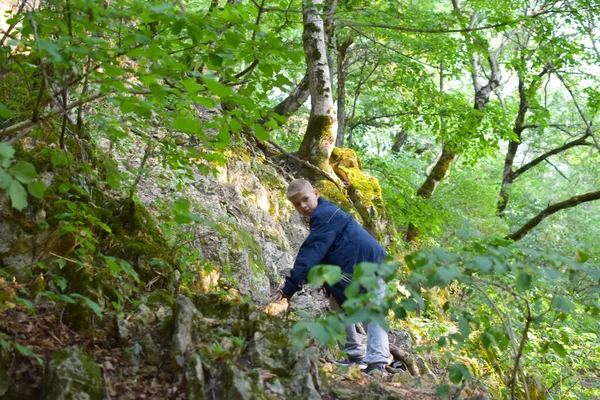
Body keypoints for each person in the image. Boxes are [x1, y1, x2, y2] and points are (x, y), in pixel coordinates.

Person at [271, 178, 390, 374]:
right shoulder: (323, 215)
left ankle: (377, 364)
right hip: (352, 271)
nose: (303, 206)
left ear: (316, 194)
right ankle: (355, 357)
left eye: (306, 199)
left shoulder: (325, 215)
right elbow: (322, 256)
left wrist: (288, 288)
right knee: (338, 307)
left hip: (371, 266)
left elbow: (311, 253)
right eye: (297, 204)